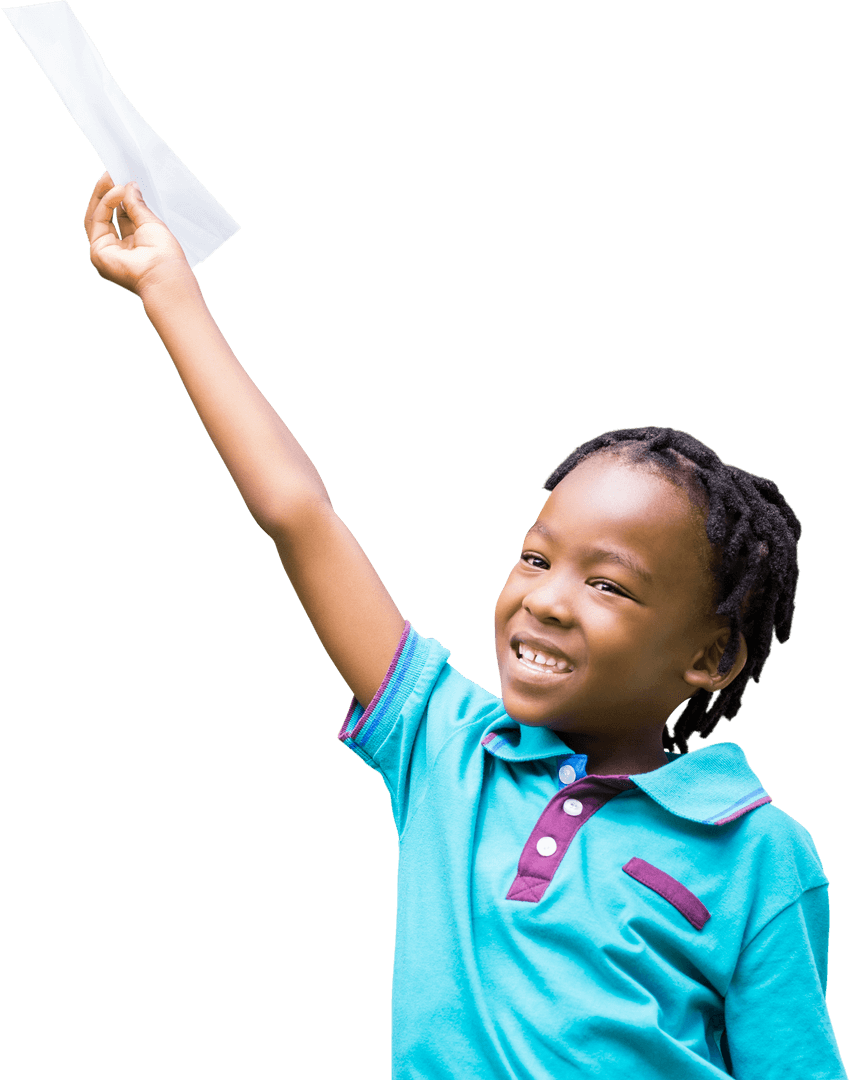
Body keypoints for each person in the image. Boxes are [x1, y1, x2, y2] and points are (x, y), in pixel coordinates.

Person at [84, 172, 846, 1080]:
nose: (548, 599)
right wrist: (169, 288)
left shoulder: (760, 854)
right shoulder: (445, 747)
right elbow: (300, 515)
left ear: (711, 655)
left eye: (608, 585)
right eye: (534, 558)